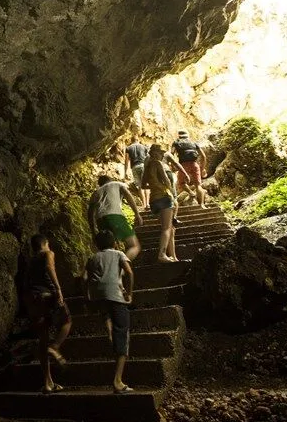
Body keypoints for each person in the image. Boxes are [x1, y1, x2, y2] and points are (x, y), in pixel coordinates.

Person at [86, 230, 135, 394]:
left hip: (98, 297)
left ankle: (109, 331)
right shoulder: (118, 254)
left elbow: (84, 279)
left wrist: (87, 297)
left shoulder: (92, 257)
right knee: (123, 334)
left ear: (96, 245)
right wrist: (129, 293)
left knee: (106, 314)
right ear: (114, 243)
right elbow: (129, 272)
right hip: (115, 296)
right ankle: (118, 381)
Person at [24, 234, 72, 393]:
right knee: (67, 322)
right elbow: (50, 268)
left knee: (42, 339)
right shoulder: (47, 254)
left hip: (33, 299)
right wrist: (58, 290)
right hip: (47, 295)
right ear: (45, 243)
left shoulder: (30, 261)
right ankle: (55, 347)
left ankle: (48, 383)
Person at [87, 175, 144, 261]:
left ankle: (113, 268)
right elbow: (128, 195)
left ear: (99, 184)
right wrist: (137, 213)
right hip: (115, 216)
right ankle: (121, 269)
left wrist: (93, 231)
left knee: (111, 249)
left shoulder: (96, 192)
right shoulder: (116, 184)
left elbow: (90, 212)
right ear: (110, 179)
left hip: (100, 221)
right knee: (134, 246)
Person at [144, 144, 179, 262]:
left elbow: (143, 185)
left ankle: (173, 256)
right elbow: (167, 181)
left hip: (154, 200)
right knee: (166, 228)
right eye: (161, 153)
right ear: (155, 153)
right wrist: (164, 188)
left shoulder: (147, 167)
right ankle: (162, 254)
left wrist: (155, 186)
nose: (163, 155)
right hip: (164, 197)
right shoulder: (158, 164)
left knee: (170, 228)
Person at [172, 130, 209, 208]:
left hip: (183, 165)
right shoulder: (194, 143)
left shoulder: (176, 143)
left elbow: (171, 154)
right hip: (194, 164)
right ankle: (202, 204)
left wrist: (173, 166)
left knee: (181, 183)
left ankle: (191, 193)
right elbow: (203, 156)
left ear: (179, 136)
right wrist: (202, 168)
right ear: (187, 136)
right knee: (198, 185)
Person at [124, 135, 150, 206]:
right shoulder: (144, 147)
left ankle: (144, 204)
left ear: (131, 141)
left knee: (140, 186)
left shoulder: (128, 148)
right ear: (138, 140)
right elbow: (148, 157)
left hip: (135, 167)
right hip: (143, 166)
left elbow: (126, 161)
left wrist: (125, 171)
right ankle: (148, 203)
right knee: (146, 184)